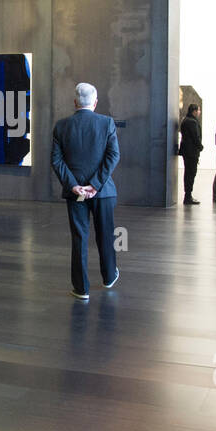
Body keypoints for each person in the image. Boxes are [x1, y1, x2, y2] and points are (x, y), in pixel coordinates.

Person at [51, 82, 120, 301]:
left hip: (76, 193)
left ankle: (81, 289)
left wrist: (74, 185)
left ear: (75, 102)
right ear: (96, 102)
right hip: (103, 192)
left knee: (79, 238)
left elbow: (56, 160)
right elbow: (113, 156)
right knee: (106, 234)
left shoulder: (61, 126)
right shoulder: (106, 123)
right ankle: (109, 276)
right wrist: (96, 184)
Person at [178, 104, 204, 204]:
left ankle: (188, 195)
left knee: (188, 173)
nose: (199, 112)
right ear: (194, 111)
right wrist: (200, 146)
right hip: (191, 152)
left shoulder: (185, 120)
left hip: (187, 151)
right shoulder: (191, 122)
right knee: (190, 173)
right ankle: (188, 196)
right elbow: (195, 137)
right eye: (198, 110)